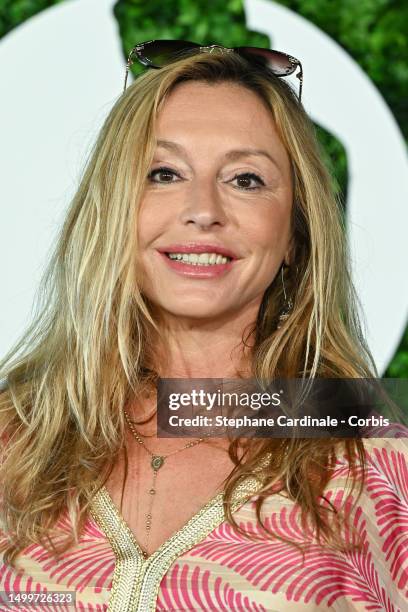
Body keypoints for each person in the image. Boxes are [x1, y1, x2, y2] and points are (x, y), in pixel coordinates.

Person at [0, 40, 407, 611]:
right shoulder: (14, 440)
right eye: (163, 173)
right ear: (115, 209)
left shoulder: (373, 462)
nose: (203, 209)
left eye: (245, 180)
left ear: (295, 232)